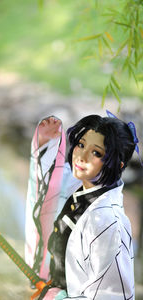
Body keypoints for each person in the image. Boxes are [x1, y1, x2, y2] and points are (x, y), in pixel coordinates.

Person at [25, 111, 140, 300]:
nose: (81, 156)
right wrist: (47, 144)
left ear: (118, 165)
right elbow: (49, 187)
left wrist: (59, 298)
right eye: (81, 145)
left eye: (96, 152)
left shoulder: (110, 223)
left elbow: (113, 296)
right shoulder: (79, 186)